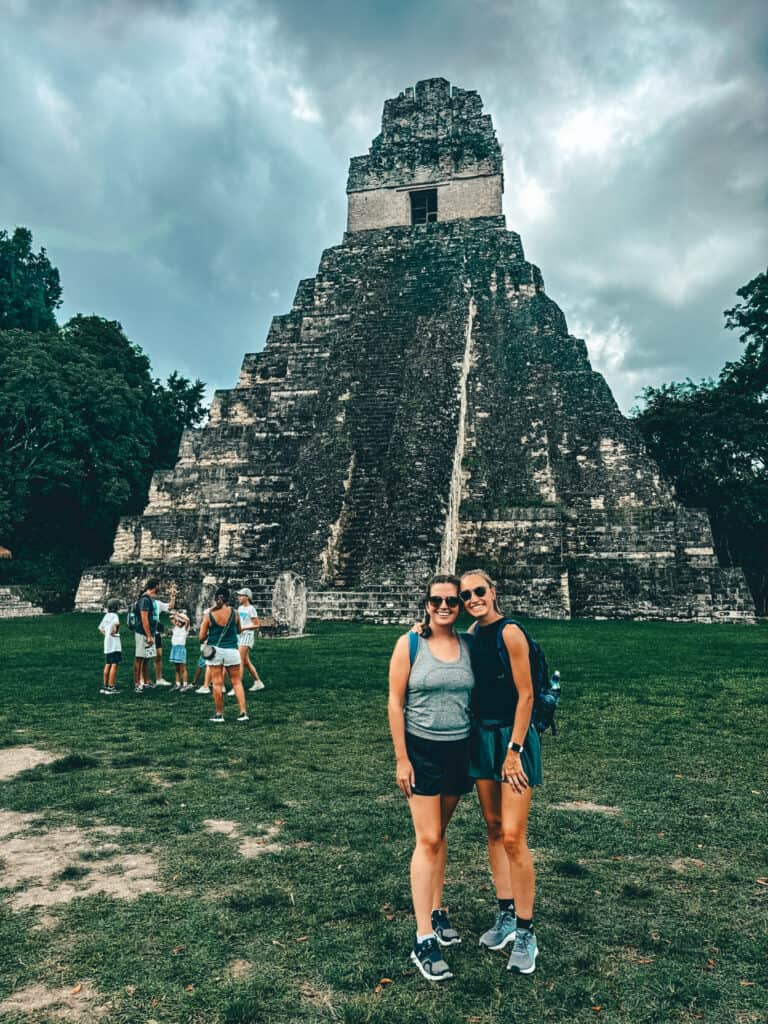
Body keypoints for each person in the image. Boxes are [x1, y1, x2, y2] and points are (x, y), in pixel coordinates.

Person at [388, 574, 474, 983]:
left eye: (452, 601)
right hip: (421, 750)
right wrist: (402, 758)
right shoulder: (409, 644)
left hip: (459, 749)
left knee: (440, 833)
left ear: (460, 606)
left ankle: (437, 910)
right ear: (426, 603)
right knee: (428, 839)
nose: (444, 607)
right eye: (437, 600)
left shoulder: (468, 645)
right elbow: (394, 701)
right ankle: (423, 938)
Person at [459, 568, 543, 975]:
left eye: (478, 591)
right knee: (493, 827)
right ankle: (506, 913)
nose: (472, 598)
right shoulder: (472, 636)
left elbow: (526, 694)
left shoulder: (511, 632)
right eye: (465, 595)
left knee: (513, 835)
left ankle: (526, 931)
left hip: (513, 738)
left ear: (493, 593)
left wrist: (514, 751)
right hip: (482, 735)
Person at [199, 586, 248, 724]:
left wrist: (209, 635)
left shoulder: (209, 614)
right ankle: (243, 712)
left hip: (215, 650)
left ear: (216, 598)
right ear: (228, 598)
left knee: (217, 683)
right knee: (237, 682)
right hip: (232, 650)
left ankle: (219, 714)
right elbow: (239, 630)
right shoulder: (235, 613)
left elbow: (201, 637)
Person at [232, 587, 265, 694]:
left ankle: (237, 687)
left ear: (247, 597)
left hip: (247, 636)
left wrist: (244, 628)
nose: (239, 597)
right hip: (240, 636)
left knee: (239, 661)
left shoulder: (251, 609)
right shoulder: (240, 608)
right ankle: (258, 682)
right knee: (246, 662)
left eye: (241, 595)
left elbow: (256, 624)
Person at [133, 579, 159, 693]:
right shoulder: (144, 600)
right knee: (139, 658)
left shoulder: (149, 599)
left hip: (149, 632)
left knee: (147, 658)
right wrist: (148, 635)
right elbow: (144, 618)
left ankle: (146, 681)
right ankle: (137, 683)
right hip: (143, 633)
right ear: (155, 586)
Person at [152, 584, 177, 686]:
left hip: (156, 632)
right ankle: (142, 680)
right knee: (144, 658)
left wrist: (173, 597)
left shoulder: (157, 603)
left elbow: (170, 607)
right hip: (145, 632)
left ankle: (159, 679)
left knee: (158, 655)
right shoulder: (142, 602)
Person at [98, 598, 121, 694]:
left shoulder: (106, 616)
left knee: (108, 663)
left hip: (107, 643)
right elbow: (116, 624)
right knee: (114, 664)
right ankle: (111, 686)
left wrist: (106, 634)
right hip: (114, 644)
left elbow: (100, 628)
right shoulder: (115, 615)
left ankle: (105, 685)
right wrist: (114, 631)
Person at [169, 609, 191, 691]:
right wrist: (175, 615)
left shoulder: (185, 629)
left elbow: (187, 620)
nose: (177, 623)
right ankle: (177, 683)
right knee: (176, 668)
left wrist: (178, 614)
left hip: (180, 649)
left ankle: (185, 684)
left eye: (179, 622)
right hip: (174, 649)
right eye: (177, 621)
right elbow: (171, 617)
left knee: (182, 668)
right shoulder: (175, 627)